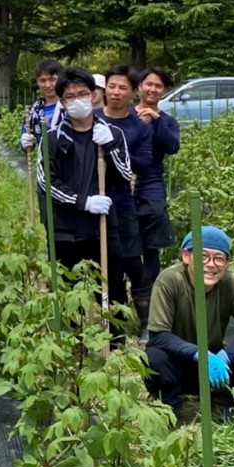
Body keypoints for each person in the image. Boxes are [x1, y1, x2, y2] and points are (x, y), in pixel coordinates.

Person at [146, 226, 234, 419]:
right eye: (203, 256)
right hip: (178, 365)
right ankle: (170, 405)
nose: (211, 264)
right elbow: (158, 335)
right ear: (186, 256)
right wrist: (198, 354)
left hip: (216, 370)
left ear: (227, 262)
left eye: (219, 258)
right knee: (153, 357)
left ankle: (226, 402)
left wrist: (224, 356)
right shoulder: (169, 281)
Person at [36, 67, 132, 273]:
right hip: (65, 231)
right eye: (70, 97)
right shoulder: (53, 139)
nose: (77, 100)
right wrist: (84, 202)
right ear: (62, 102)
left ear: (93, 95)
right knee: (70, 296)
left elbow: (125, 176)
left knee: (111, 293)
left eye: (82, 94)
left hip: (104, 228)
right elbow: (46, 183)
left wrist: (110, 148)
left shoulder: (112, 134)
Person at [97, 65, 154, 339]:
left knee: (132, 260)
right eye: (111, 86)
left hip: (121, 199)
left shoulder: (138, 127)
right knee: (105, 263)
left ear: (133, 93)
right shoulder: (92, 118)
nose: (115, 92)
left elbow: (145, 163)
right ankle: (114, 326)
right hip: (93, 198)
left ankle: (146, 323)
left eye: (122, 88)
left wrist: (116, 149)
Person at [134, 67, 181, 286]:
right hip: (123, 184)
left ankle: (148, 293)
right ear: (139, 87)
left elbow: (172, 146)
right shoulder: (126, 116)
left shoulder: (168, 121)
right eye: (148, 84)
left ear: (165, 90)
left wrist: (156, 118)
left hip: (151, 183)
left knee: (150, 245)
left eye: (158, 86)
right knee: (125, 240)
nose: (152, 89)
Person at [19, 58, 64, 152]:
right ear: (37, 82)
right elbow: (25, 145)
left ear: (61, 79)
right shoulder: (33, 112)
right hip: (46, 163)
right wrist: (26, 143)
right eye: (42, 80)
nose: (47, 85)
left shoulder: (70, 106)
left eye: (52, 79)